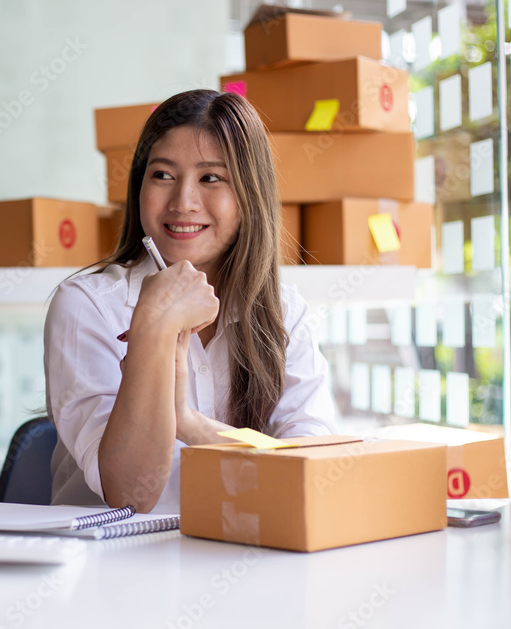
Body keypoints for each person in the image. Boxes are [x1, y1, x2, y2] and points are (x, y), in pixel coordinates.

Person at [45, 89, 336, 513]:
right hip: (112, 565)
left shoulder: (283, 311)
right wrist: (153, 330)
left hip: (237, 553)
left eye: (211, 178)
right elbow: (131, 493)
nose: (183, 202)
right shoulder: (86, 305)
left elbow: (314, 465)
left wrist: (191, 424)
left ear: (249, 196)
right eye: (162, 175)